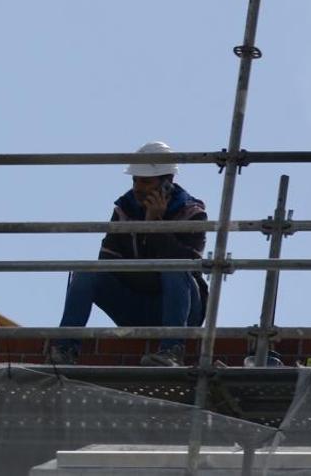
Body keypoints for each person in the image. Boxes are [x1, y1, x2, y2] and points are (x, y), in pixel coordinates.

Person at [49, 141, 208, 367]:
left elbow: (189, 267)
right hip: (135, 304)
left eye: (146, 181)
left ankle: (171, 352)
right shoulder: (124, 209)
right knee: (87, 272)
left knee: (175, 268)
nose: (138, 188)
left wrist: (154, 225)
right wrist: (144, 272)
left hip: (180, 311)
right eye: (135, 180)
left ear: (167, 183)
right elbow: (107, 263)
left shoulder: (192, 214)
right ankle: (65, 349)